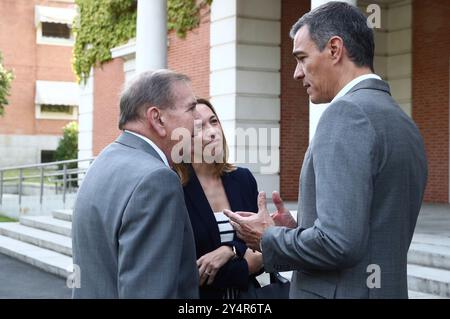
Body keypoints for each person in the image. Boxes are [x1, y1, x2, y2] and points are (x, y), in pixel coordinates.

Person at [225, 2, 427, 299]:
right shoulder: (402, 120)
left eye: (302, 58)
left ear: (334, 49)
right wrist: (297, 230)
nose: (297, 73)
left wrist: (269, 237)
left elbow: (338, 244)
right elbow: (365, 229)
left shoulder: (346, 115)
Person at [72, 70, 200, 298]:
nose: (198, 119)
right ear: (157, 118)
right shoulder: (157, 180)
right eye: (191, 108)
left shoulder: (102, 161)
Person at [173, 98, 264, 299]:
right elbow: (188, 273)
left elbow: (261, 250)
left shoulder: (243, 178)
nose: (213, 131)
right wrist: (245, 264)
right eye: (199, 128)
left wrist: (229, 249)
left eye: (213, 121)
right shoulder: (174, 188)